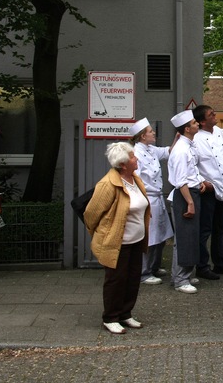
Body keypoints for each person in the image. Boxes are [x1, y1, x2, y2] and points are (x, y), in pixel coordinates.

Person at [84, 142, 150, 334]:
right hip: (117, 242)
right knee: (116, 280)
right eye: (132, 157)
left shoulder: (135, 179)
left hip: (137, 240)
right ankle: (111, 317)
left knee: (132, 278)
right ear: (123, 164)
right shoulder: (108, 184)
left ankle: (125, 313)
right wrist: (101, 235)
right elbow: (91, 213)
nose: (136, 158)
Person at [193, 105, 223, 279]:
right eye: (211, 115)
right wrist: (203, 182)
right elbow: (192, 165)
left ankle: (220, 262)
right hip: (208, 190)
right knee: (205, 229)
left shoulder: (219, 133)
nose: (215, 116)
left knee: (220, 228)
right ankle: (202, 266)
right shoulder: (196, 139)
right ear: (202, 121)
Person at [128, 118, 176, 285]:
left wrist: (179, 137)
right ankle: (144, 272)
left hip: (157, 198)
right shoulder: (136, 154)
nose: (153, 133)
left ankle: (154, 267)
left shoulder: (150, 149)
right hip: (147, 198)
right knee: (149, 237)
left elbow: (168, 151)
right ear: (142, 136)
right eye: (150, 131)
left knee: (160, 236)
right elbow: (136, 180)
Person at [168, 110, 208, 294]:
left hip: (191, 192)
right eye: (194, 123)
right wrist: (190, 202)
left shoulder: (188, 146)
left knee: (190, 236)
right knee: (184, 238)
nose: (197, 124)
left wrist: (199, 181)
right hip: (185, 195)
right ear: (186, 128)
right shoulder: (181, 150)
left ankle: (183, 274)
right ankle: (180, 279)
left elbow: (191, 171)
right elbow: (180, 180)